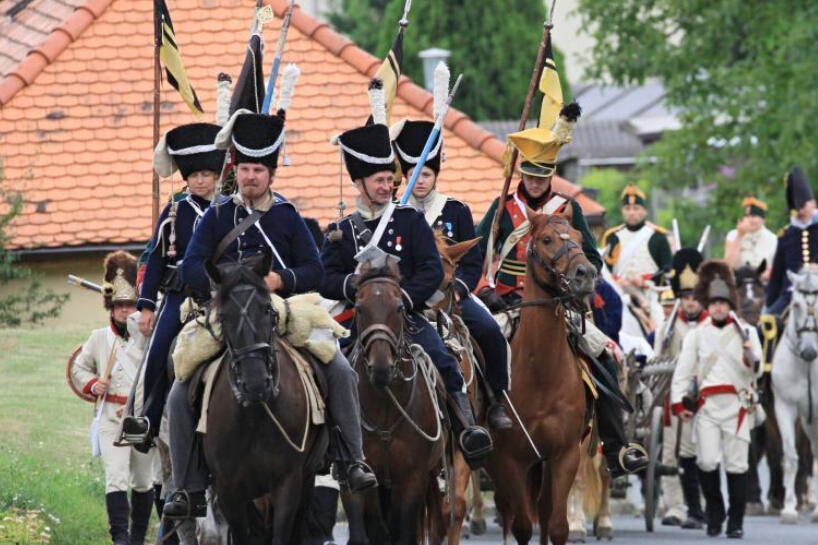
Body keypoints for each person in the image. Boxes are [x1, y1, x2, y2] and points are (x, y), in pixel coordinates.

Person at [163, 108, 376, 520]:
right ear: (235, 171)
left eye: (258, 170)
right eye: (243, 169)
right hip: (226, 311)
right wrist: (221, 284)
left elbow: (314, 271)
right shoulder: (217, 215)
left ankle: (350, 460)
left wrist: (281, 280)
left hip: (281, 309)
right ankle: (186, 484)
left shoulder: (288, 216)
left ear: (271, 174)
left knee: (340, 372)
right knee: (179, 385)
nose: (249, 177)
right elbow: (191, 265)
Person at [320, 80, 493, 467]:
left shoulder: (410, 220)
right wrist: (350, 286)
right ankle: (327, 446)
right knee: (326, 368)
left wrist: (406, 299)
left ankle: (467, 426)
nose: (388, 185)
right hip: (356, 318)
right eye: (380, 180)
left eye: (390, 179)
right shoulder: (340, 230)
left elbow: (432, 269)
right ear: (359, 183)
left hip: (404, 316)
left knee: (442, 359)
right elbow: (324, 276)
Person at [475, 103, 646, 478]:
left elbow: (592, 259)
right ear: (521, 172)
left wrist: (579, 283)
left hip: (558, 305)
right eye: (530, 176)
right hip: (505, 303)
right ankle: (476, 434)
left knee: (603, 356)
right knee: (476, 355)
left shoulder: (568, 208)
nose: (535, 183)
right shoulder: (503, 207)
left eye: (542, 177)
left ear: (551, 175)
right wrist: (486, 290)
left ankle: (617, 448)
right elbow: (476, 255)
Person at [393, 113, 512, 430]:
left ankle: (497, 400)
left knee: (490, 331)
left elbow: (472, 262)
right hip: (408, 299)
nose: (420, 181)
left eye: (426, 174)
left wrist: (459, 288)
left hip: (451, 293)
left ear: (436, 175)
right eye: (414, 174)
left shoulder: (455, 210)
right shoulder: (395, 213)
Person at [121, 123, 225, 449]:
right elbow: (154, 261)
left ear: (217, 175)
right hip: (179, 296)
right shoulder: (175, 210)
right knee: (158, 350)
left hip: (222, 295)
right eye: (194, 175)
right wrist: (147, 305)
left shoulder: (229, 210)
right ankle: (149, 421)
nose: (200, 180)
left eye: (206, 174)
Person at [671, 260, 763, 538]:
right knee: (707, 462)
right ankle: (715, 513)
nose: (719, 307)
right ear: (707, 305)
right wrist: (679, 403)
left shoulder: (746, 330)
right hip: (708, 407)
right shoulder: (698, 335)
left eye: (723, 302)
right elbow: (683, 372)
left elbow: (756, 368)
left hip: (737, 406)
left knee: (738, 466)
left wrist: (750, 353)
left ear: (730, 304)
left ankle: (736, 522)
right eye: (714, 303)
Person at [69, 251, 156, 545]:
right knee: (116, 477)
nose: (125, 310)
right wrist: (93, 384)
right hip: (110, 417)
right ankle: (120, 538)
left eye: (130, 304)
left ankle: (136, 538)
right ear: (111, 306)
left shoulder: (149, 338)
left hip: (140, 417)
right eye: (119, 305)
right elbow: (78, 367)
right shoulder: (98, 338)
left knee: (143, 482)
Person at [655, 248, 708, 529]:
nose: (689, 303)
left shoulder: (711, 325)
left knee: (699, 452)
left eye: (694, 298)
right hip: (672, 396)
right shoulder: (668, 325)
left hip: (702, 399)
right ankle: (674, 506)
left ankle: (698, 504)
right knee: (669, 454)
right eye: (685, 298)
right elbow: (657, 362)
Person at [766, 167, 818, 315]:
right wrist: (769, 304)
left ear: (813, 203)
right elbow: (778, 272)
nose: (801, 211)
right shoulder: (786, 235)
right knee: (766, 327)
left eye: (803, 205)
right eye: (797, 208)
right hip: (791, 294)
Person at [601, 183, 673, 284]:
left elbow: (667, 270)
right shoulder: (612, 237)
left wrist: (645, 281)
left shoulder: (658, 237)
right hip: (620, 292)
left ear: (645, 211)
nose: (631, 213)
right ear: (622, 211)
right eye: (627, 208)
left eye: (636, 208)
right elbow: (604, 271)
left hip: (650, 293)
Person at [724, 195, 777, 278]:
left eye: (753, 216)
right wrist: (739, 236)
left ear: (763, 219)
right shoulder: (733, 235)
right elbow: (729, 266)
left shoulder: (773, 239)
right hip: (739, 281)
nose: (750, 220)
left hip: (763, 282)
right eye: (747, 216)